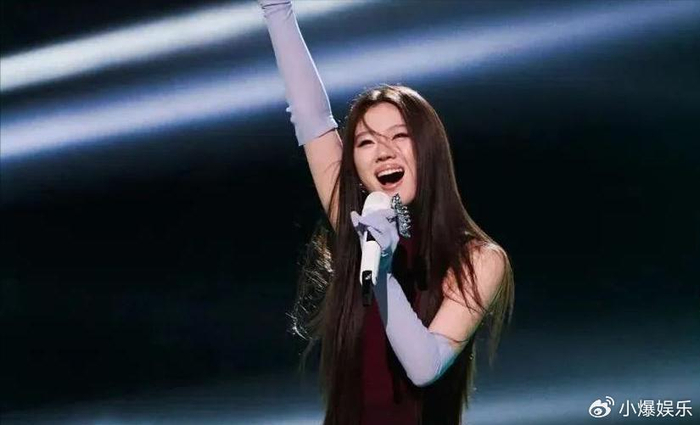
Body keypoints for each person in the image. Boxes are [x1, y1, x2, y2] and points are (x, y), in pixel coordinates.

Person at [257, 1, 514, 424]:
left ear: (429, 151)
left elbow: (424, 366)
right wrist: (276, 8)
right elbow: (311, 116)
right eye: (365, 142)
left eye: (400, 136)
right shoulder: (355, 224)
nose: (383, 152)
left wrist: (381, 274)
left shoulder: (479, 260)